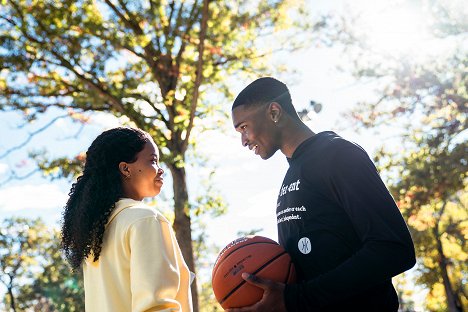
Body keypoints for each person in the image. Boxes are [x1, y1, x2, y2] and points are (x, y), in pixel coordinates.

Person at [228, 77, 416, 312]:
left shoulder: (338, 154)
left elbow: (394, 248)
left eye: (244, 127)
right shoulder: (290, 177)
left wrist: (295, 299)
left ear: (274, 112)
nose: (243, 141)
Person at [61, 127, 193, 312]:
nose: (160, 170)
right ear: (125, 169)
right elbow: (157, 306)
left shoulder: (95, 235)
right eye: (153, 161)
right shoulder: (146, 220)